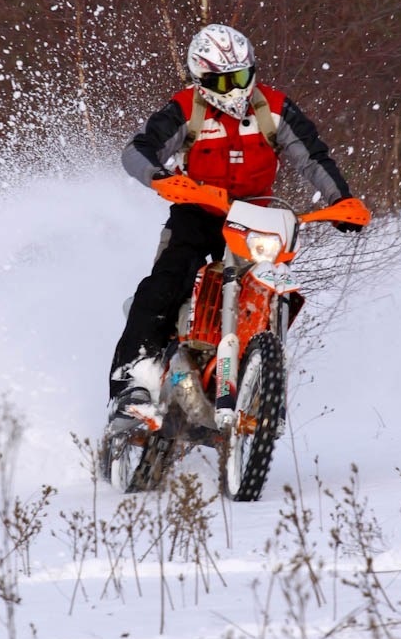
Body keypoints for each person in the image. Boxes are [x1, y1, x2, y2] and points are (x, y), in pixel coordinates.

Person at [108, 23, 362, 429]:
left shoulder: (273, 109)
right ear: (200, 79)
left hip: (255, 216)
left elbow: (312, 157)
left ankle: (257, 374)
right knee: (165, 283)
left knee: (267, 289)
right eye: (221, 81)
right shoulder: (186, 108)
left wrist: (342, 200)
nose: (233, 89)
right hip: (197, 211)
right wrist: (160, 177)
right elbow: (137, 150)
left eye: (241, 78)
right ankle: (132, 383)